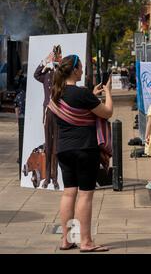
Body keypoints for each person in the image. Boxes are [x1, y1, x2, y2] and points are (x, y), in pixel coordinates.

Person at [48, 55, 112, 252]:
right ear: (74, 70)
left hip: (64, 150)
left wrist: (91, 94)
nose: (83, 70)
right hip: (85, 149)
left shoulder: (55, 94)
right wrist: (107, 92)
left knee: (68, 194)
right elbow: (107, 112)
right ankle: (85, 242)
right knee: (85, 196)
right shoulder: (82, 94)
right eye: (81, 67)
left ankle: (66, 240)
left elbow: (79, 104)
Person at [34, 47, 62, 189]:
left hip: (57, 112)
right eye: (54, 56)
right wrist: (45, 61)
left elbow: (65, 76)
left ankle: (55, 179)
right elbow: (36, 74)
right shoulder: (46, 74)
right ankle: (47, 179)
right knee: (48, 146)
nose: (55, 58)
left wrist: (59, 66)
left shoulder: (60, 74)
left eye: (57, 56)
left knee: (56, 147)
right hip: (47, 112)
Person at [14, 75, 26, 167]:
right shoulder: (29, 94)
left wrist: (17, 119)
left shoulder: (19, 95)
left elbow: (16, 108)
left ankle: (21, 156)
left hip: (21, 118)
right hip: (27, 118)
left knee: (21, 139)